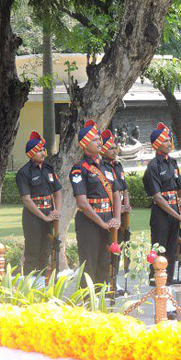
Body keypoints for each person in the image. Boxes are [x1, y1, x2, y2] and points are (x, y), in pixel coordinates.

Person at [142, 123, 181, 304]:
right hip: (161, 216)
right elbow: (158, 197)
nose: (169, 142)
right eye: (164, 140)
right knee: (159, 253)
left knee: (172, 253)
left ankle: (169, 296)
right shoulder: (153, 167)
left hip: (175, 214)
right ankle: (159, 295)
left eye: (169, 139)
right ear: (156, 144)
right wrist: (178, 215)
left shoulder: (172, 163)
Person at [69, 120, 121, 286]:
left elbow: (116, 194)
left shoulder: (108, 166)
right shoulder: (79, 169)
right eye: (95, 140)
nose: (99, 142)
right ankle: (88, 303)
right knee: (89, 264)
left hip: (108, 219)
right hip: (89, 221)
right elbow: (82, 203)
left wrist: (117, 219)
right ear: (84, 144)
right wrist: (102, 223)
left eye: (99, 139)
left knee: (106, 262)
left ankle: (103, 301)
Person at [15, 131, 62, 275]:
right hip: (33, 217)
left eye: (43, 149)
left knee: (46, 250)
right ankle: (30, 285)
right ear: (31, 153)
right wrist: (44, 217)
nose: (43, 152)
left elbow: (57, 192)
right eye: (39, 150)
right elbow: (26, 200)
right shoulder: (24, 172)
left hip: (49, 215)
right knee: (32, 252)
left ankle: (42, 282)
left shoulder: (49, 169)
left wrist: (56, 211)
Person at [100, 128, 129, 295]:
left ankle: (115, 281)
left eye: (115, 147)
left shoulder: (118, 166)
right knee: (107, 249)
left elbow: (124, 189)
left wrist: (127, 205)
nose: (115, 150)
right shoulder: (102, 166)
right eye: (111, 148)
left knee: (119, 248)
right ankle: (106, 281)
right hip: (108, 214)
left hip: (121, 213)